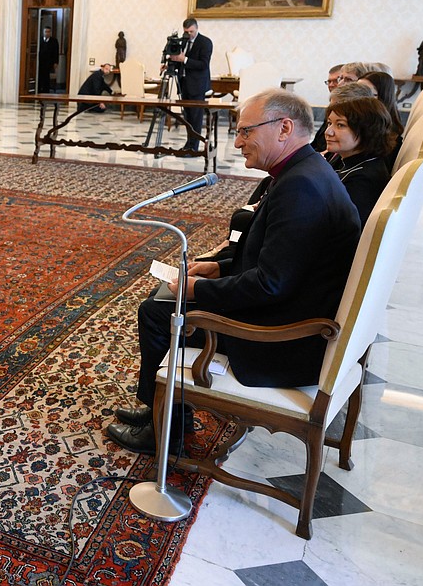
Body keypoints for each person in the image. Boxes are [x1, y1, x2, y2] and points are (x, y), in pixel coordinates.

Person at [107, 89, 362, 455]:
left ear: (284, 127)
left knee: (158, 312)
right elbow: (279, 259)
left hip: (283, 337)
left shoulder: (301, 186)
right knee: (165, 297)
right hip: (292, 304)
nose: (238, 141)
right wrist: (218, 266)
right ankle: (159, 410)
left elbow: (271, 283)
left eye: (246, 131)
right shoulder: (304, 171)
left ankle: (165, 432)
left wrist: (199, 290)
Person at [166, 18, 213, 151]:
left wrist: (184, 59)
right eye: (186, 32)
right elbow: (178, 59)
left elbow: (203, 65)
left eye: (191, 31)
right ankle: (189, 143)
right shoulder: (183, 41)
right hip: (184, 83)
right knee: (187, 116)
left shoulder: (205, 42)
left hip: (197, 85)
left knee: (196, 117)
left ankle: (194, 146)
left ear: (197, 28)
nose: (189, 34)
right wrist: (171, 63)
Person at [37, 26, 60, 93]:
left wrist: (56, 62)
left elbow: (56, 52)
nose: (47, 33)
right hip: (40, 62)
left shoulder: (54, 41)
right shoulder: (40, 40)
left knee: (46, 78)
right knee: (39, 77)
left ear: (50, 33)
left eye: (48, 32)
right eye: (46, 32)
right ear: (43, 32)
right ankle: (38, 90)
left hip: (49, 63)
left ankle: (46, 91)